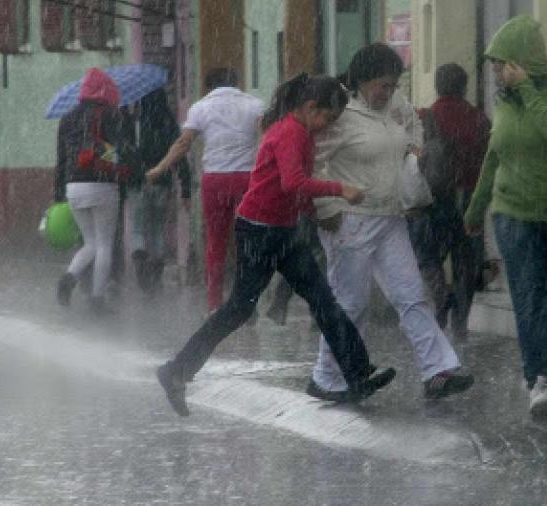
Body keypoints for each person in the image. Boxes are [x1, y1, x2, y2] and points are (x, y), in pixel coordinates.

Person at [151, 74, 395, 416]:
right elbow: (293, 182)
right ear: (310, 107)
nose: (328, 127)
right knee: (240, 308)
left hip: (282, 230)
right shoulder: (290, 133)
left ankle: (357, 372)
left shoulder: (301, 133)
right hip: (260, 231)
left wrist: (316, 215)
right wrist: (339, 189)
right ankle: (177, 370)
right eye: (327, 118)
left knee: (322, 300)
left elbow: (292, 190)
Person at [307, 43, 474, 402]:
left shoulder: (395, 104)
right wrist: (326, 207)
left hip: (391, 218)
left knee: (411, 295)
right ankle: (327, 377)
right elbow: (313, 162)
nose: (388, 92)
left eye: (393, 84)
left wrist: (414, 148)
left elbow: (414, 124)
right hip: (349, 221)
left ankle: (437, 371)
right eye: (382, 85)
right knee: (351, 303)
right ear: (362, 80)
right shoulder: (341, 113)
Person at [464, 16, 547, 416]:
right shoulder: (507, 100)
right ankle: (541, 380)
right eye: (494, 66)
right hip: (513, 213)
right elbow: (494, 155)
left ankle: (538, 369)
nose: (497, 73)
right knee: (530, 295)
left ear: (524, 59)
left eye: (502, 63)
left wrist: (527, 88)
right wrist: (476, 207)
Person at [148, 68, 265, 312]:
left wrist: (160, 167)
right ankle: (247, 301)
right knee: (248, 240)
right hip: (247, 180)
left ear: (207, 86)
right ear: (237, 82)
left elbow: (184, 144)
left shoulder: (201, 107)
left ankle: (214, 303)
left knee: (215, 240)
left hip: (215, 180)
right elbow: (265, 139)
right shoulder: (255, 105)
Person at [409, 63, 490, 338]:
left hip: (436, 198)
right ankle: (461, 323)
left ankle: (440, 296)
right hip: (470, 198)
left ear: (437, 86)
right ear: (464, 87)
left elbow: (415, 158)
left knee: (428, 254)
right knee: (466, 262)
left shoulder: (425, 117)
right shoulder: (479, 118)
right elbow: (489, 158)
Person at [54, 68, 126, 314]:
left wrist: (58, 193)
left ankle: (69, 278)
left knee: (90, 243)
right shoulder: (111, 115)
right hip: (102, 183)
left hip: (73, 186)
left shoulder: (67, 118)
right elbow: (120, 151)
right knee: (104, 244)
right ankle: (97, 299)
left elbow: (61, 159)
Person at [122, 90, 191, 295]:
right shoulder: (168, 122)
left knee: (137, 228)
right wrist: (186, 187)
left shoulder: (133, 121)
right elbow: (179, 154)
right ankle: (156, 275)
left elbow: (124, 152)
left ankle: (140, 263)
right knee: (157, 229)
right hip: (162, 182)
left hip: (137, 182)